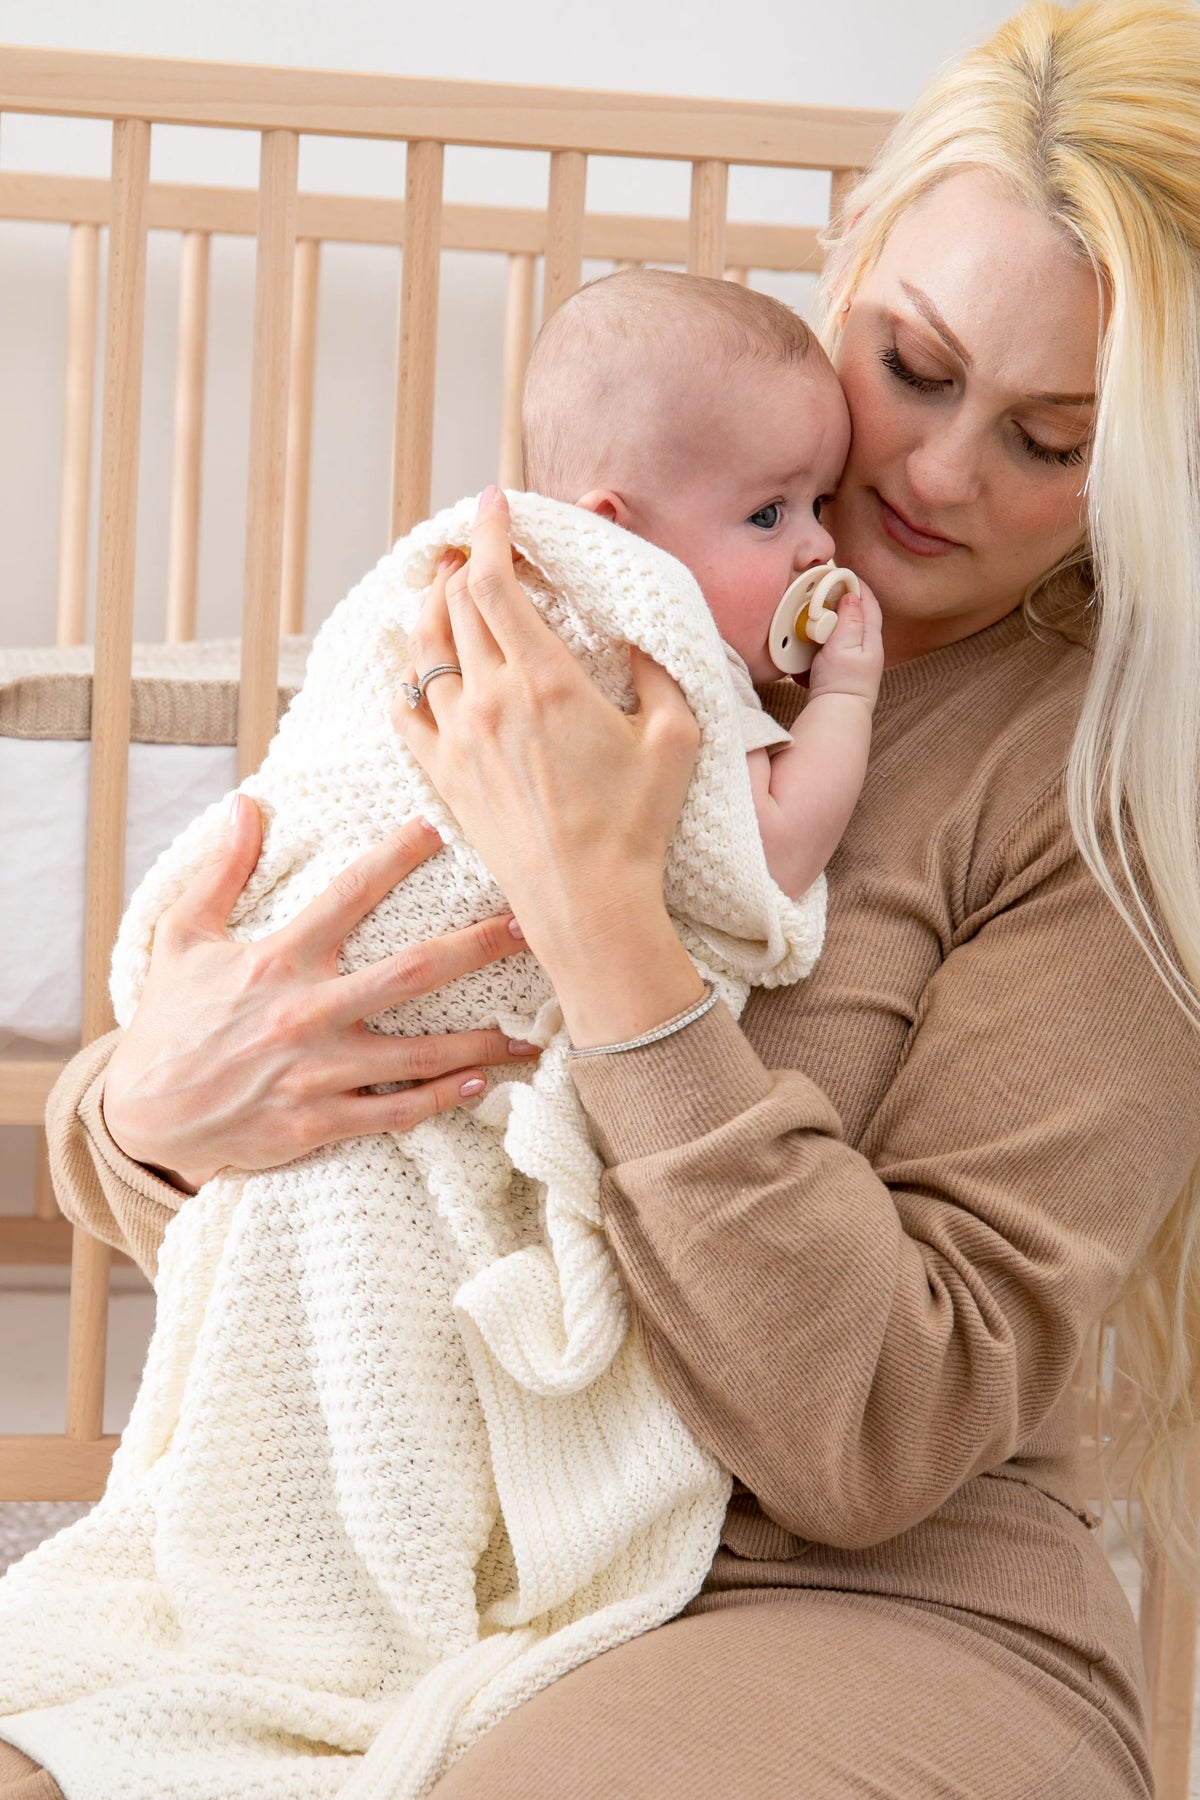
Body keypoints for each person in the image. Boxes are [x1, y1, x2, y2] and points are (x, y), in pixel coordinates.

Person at [9, 0, 1200, 1791]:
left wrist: (612, 930)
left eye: (1053, 440)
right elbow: (280, 1125)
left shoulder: (1106, 791)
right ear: (850, 270)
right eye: (915, 367)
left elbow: (882, 1433)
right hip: (417, 1527)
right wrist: (152, 1109)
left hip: (846, 1595)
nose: (937, 473)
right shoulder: (561, 587)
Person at [521, 267, 883, 899]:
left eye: (820, 504)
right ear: (615, 538)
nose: (822, 547)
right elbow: (772, 859)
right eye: (767, 515)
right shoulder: (684, 665)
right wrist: (845, 696)